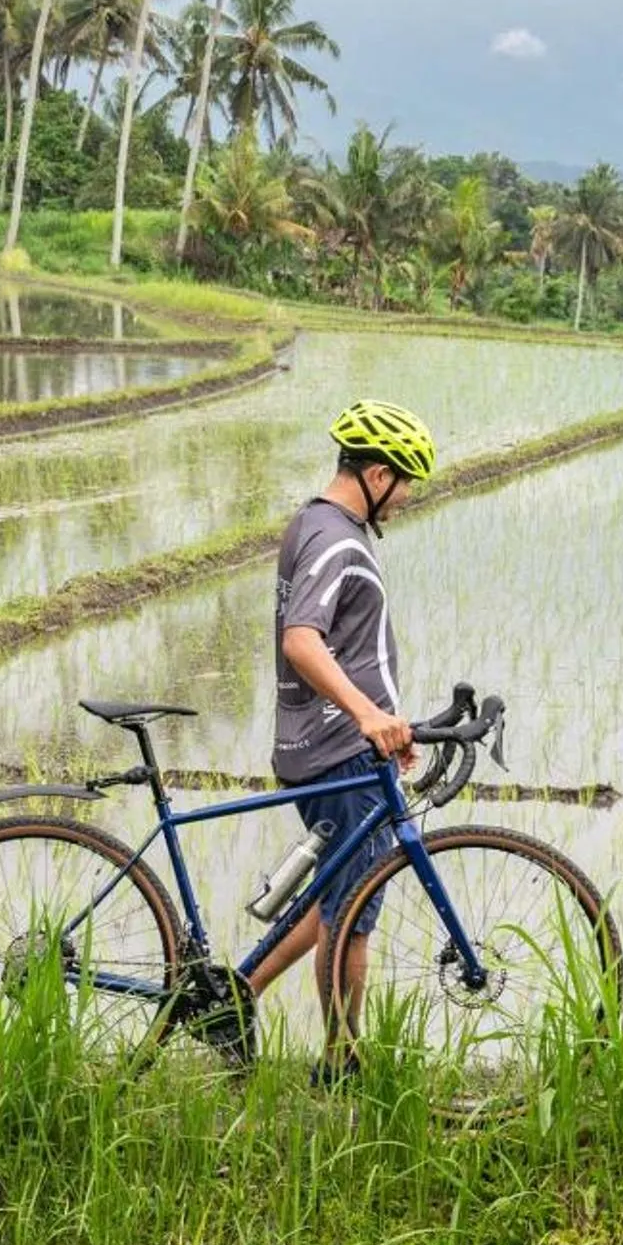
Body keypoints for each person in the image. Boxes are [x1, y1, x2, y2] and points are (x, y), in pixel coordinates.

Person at [241, 400, 438, 1064]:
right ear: (377, 474)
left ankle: (242, 990)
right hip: (337, 749)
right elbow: (303, 640)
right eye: (406, 481)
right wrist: (367, 715)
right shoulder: (338, 539)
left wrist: (384, 725)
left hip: (337, 746)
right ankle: (341, 1065)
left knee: (337, 895)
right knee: (354, 917)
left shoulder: (313, 521)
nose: (408, 496)